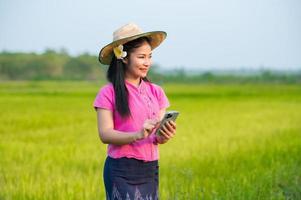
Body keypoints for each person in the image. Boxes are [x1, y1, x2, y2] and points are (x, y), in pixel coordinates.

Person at [93, 22, 177, 200]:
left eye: (150, 56)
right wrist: (138, 134)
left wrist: (163, 136)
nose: (147, 63)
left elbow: (156, 137)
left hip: (150, 168)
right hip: (120, 169)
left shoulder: (157, 92)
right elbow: (105, 134)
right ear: (123, 57)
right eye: (141, 57)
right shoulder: (108, 93)